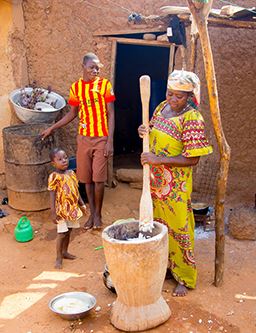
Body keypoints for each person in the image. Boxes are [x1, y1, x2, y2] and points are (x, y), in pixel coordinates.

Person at [138, 70, 213, 297]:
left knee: (180, 227)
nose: (172, 99)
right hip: (155, 182)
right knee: (158, 224)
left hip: (176, 188)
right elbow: (152, 131)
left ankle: (184, 275)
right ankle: (166, 267)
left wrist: (158, 159)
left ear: (189, 97)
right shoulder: (161, 107)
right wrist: (144, 131)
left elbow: (193, 158)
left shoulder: (192, 119)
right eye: (170, 94)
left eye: (178, 96)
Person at [42, 52, 115, 230]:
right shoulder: (76, 88)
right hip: (83, 139)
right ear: (83, 67)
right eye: (92, 67)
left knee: (98, 179)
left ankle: (98, 214)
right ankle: (91, 215)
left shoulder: (105, 85)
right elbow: (72, 113)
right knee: (86, 180)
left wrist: (109, 141)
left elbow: (111, 113)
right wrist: (53, 127)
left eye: (97, 68)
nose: (95, 70)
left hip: (101, 138)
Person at [48, 148, 87, 269]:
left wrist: (82, 204)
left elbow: (76, 191)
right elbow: (52, 195)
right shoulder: (54, 176)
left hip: (72, 209)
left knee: (69, 230)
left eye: (65, 158)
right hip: (61, 210)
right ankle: (58, 257)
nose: (64, 161)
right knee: (62, 233)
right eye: (60, 159)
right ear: (53, 163)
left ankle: (65, 252)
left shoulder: (71, 173)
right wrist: (53, 212)